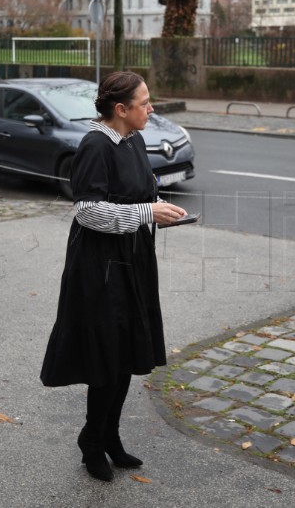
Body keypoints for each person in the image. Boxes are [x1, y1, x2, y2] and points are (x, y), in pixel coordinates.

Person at [40, 71, 187, 482]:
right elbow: (87, 210)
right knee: (105, 355)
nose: (151, 108)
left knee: (124, 351)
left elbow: (140, 195)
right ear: (120, 110)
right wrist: (146, 213)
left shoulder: (135, 140)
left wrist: (163, 210)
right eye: (144, 102)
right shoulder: (94, 145)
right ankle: (92, 441)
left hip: (133, 258)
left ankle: (110, 437)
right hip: (99, 265)